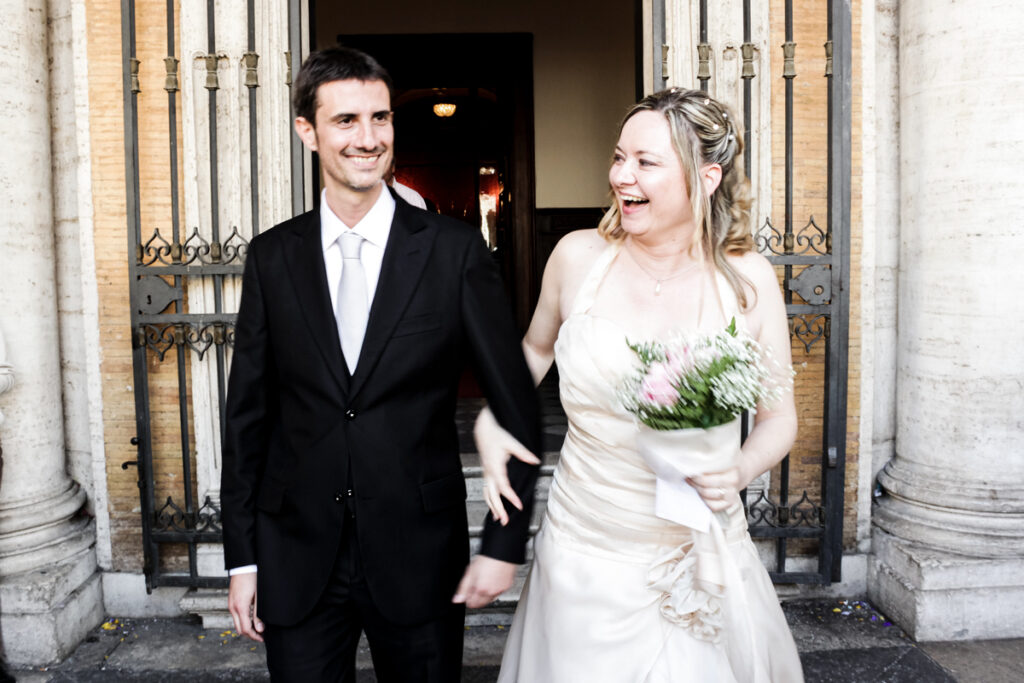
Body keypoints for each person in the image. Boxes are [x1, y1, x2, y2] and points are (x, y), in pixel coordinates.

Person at [220, 46, 541, 682]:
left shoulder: (453, 253)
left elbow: (517, 403)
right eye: (346, 121)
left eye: (381, 118)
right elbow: (247, 419)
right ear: (306, 131)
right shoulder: (271, 258)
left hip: (419, 553)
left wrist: (504, 544)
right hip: (296, 553)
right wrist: (244, 560)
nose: (368, 139)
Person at [476, 88, 804, 682]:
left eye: (646, 162)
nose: (621, 176)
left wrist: (740, 470)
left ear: (706, 178)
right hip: (586, 542)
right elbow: (533, 351)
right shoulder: (576, 258)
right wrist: (493, 417)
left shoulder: (749, 282)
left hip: (695, 545)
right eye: (618, 157)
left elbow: (780, 419)